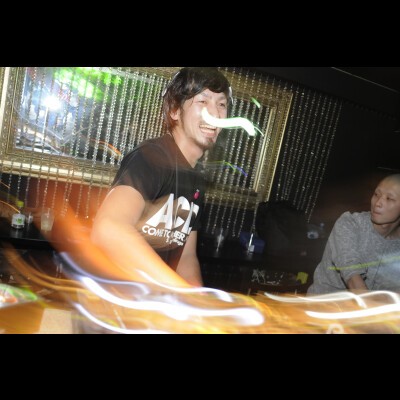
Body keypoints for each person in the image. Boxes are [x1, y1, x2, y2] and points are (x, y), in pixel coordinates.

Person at [90, 67, 232, 288]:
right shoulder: (152, 157)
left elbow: (186, 257)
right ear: (175, 110)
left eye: (221, 104)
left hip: (153, 303)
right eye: (203, 101)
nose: (215, 113)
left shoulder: (196, 180)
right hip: (116, 301)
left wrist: (196, 298)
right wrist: (174, 288)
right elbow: (108, 228)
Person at [308, 174, 400, 294]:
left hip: (373, 305)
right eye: (376, 194)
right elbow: (352, 276)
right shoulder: (350, 224)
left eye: (389, 199)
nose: (378, 203)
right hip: (323, 303)